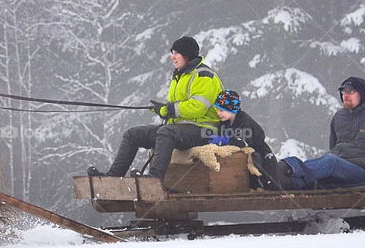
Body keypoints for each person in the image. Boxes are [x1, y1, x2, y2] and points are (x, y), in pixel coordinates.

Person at [88, 36, 223, 183]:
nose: (172, 57)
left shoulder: (203, 76)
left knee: (166, 132)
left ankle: (154, 179)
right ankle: (112, 177)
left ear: (187, 55)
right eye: (172, 53)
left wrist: (168, 110)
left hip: (203, 130)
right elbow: (177, 108)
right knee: (133, 134)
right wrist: (162, 109)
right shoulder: (180, 75)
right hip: (180, 129)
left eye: (176, 53)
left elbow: (197, 108)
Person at [279, 76, 365, 189]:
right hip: (339, 167)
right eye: (344, 92)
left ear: (362, 94)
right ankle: (284, 181)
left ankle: (287, 168)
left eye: (350, 92)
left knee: (330, 161)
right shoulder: (339, 117)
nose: (345, 95)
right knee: (324, 168)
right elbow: (333, 146)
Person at [209, 90, 279, 189]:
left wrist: (226, 140)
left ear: (232, 109)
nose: (218, 113)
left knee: (267, 184)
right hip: (240, 161)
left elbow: (244, 143)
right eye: (217, 110)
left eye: (221, 110)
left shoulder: (244, 121)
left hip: (261, 156)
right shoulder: (224, 123)